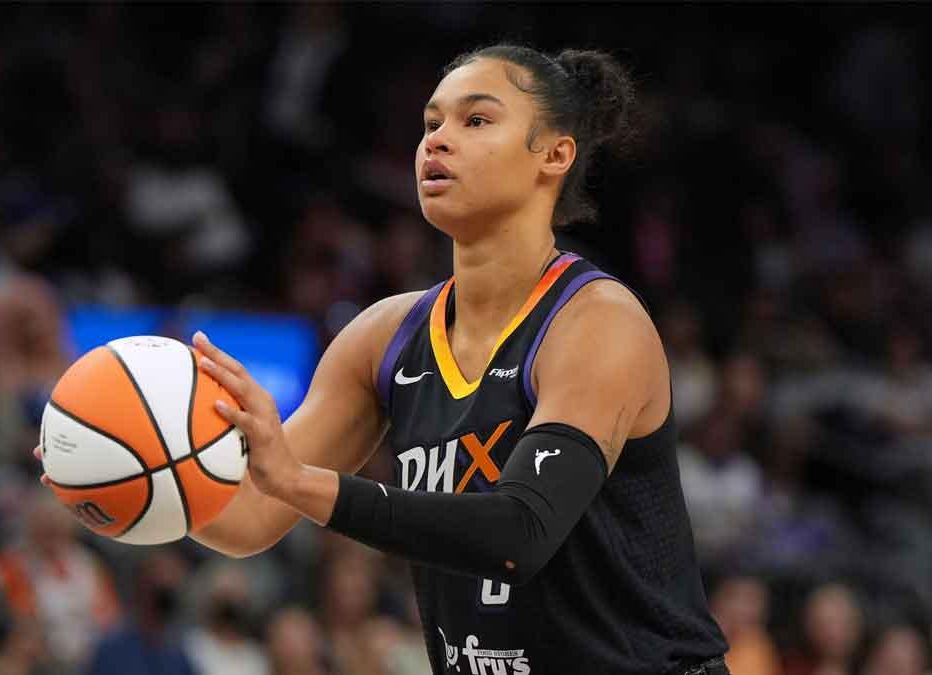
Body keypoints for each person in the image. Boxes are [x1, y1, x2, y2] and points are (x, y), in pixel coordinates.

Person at [42, 43, 729, 674]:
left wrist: (299, 481)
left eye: (476, 120)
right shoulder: (384, 336)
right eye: (431, 123)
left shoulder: (596, 321)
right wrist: (121, 468)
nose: (438, 139)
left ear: (553, 155)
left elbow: (519, 534)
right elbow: (249, 517)